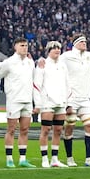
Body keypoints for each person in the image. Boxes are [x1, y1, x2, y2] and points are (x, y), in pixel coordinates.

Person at [59, 34, 90, 167]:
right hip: (72, 99)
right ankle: (70, 158)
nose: (85, 43)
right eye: (82, 41)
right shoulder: (66, 56)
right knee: (70, 127)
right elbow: (54, 62)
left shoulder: (89, 56)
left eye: (85, 41)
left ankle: (89, 159)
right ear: (75, 43)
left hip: (85, 98)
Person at [0, 37, 37, 168]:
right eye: (22, 45)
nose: (25, 48)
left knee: (25, 129)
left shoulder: (30, 62)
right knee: (11, 129)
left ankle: (22, 159)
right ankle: (9, 158)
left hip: (27, 100)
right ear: (15, 47)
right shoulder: (8, 63)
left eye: (26, 45)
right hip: (14, 100)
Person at [33, 40, 68, 168]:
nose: (57, 51)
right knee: (46, 130)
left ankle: (54, 159)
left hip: (61, 102)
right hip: (47, 101)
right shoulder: (43, 64)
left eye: (58, 48)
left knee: (58, 130)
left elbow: (67, 83)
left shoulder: (63, 65)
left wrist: (67, 100)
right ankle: (44, 159)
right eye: (54, 49)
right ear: (49, 51)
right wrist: (38, 103)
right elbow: (37, 85)